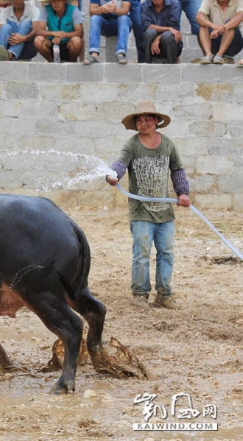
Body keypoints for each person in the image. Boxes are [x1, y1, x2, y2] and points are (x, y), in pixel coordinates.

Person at [106, 101, 191, 309]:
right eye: (139, 120)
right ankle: (140, 294)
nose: (143, 123)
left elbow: (177, 170)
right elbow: (120, 163)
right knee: (142, 253)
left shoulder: (168, 144)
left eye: (147, 119)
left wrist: (183, 193)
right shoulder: (132, 145)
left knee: (167, 252)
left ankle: (164, 294)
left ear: (156, 121)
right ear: (135, 124)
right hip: (141, 210)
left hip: (164, 212)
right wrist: (114, 175)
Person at [85, 0, 132, 64]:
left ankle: (121, 54)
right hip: (105, 24)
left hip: (121, 23)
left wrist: (116, 10)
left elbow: (125, 10)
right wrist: (101, 9)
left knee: (124, 18)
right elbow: (91, 12)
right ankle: (94, 54)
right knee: (94, 18)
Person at [196, 0, 243, 64]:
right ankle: (208, 55)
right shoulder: (208, 1)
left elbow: (240, 16)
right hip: (214, 39)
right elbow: (199, 17)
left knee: (231, 25)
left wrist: (222, 28)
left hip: (233, 42)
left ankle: (219, 56)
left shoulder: (239, 1)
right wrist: (214, 26)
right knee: (203, 25)